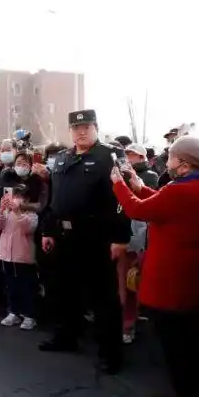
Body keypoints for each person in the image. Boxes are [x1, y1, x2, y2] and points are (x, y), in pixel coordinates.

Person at [110, 136, 199, 397]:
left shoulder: (184, 191)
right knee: (187, 335)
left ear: (183, 164)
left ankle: (186, 393)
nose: (166, 161)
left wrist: (119, 185)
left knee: (177, 341)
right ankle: (192, 386)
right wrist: (139, 186)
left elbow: (138, 210)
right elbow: (161, 204)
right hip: (191, 274)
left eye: (171, 157)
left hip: (173, 278)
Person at [39, 110, 130, 374]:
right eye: (76, 128)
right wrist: (47, 230)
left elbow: (121, 200)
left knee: (103, 299)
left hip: (97, 238)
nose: (81, 132)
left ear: (96, 128)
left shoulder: (109, 156)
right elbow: (54, 199)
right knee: (64, 290)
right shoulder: (63, 158)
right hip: (65, 235)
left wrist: (120, 237)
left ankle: (110, 354)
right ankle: (66, 336)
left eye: (87, 127)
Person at [0, 184, 38, 330]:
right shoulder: (6, 212)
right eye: (15, 196)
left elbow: (29, 228)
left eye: (20, 197)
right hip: (6, 255)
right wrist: (0, 209)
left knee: (26, 286)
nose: (16, 200)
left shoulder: (32, 214)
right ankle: (13, 312)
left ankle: (29, 315)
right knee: (10, 285)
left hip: (23, 256)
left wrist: (18, 212)